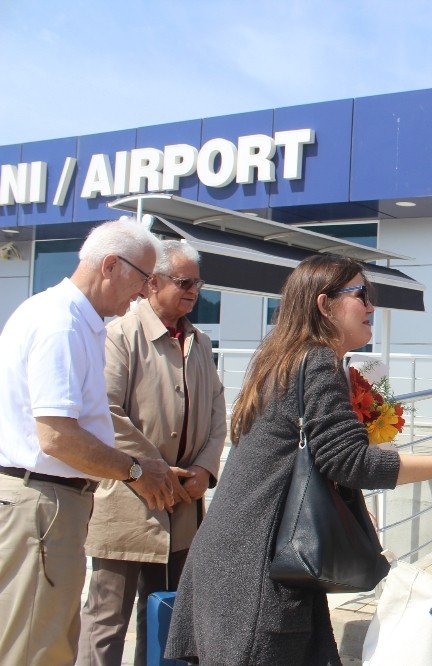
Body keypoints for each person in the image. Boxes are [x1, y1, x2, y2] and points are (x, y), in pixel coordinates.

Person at [164, 255, 432, 665]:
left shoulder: (281, 357)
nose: (371, 307)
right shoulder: (316, 361)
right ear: (324, 305)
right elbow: (350, 461)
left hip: (236, 559)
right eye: (361, 294)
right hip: (257, 571)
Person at [0, 218, 173, 666]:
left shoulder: (70, 317)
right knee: (38, 646)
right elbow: (57, 436)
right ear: (111, 265)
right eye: (144, 278)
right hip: (43, 502)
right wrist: (134, 470)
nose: (143, 292)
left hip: (46, 502)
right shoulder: (61, 322)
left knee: (40, 635)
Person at [79, 241, 227, 666]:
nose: (193, 291)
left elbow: (218, 412)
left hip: (182, 506)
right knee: (106, 622)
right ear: (152, 283)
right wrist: (152, 470)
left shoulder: (199, 341)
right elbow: (104, 411)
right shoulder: (119, 335)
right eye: (184, 282)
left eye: (197, 283)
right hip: (126, 500)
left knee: (168, 619)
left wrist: (204, 469)